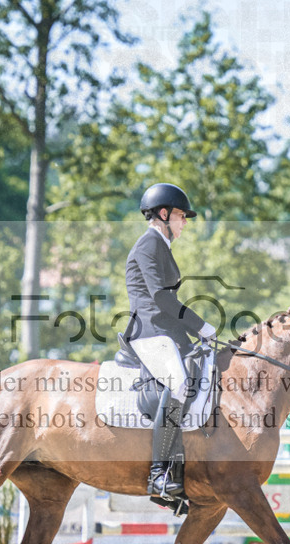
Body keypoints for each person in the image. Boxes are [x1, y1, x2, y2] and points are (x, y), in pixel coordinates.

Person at [123, 183, 216, 502]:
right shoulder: (149, 244)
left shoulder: (161, 245)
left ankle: (185, 470)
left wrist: (194, 337)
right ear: (163, 214)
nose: (185, 221)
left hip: (166, 333)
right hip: (149, 332)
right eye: (180, 215)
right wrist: (200, 326)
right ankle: (159, 473)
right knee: (178, 384)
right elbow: (161, 298)